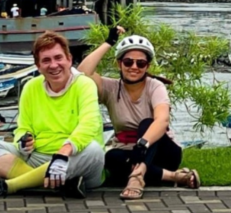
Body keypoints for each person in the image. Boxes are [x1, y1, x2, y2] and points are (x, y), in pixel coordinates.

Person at [0, 31, 105, 198]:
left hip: (73, 159)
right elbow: (23, 127)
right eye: (46, 60)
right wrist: (23, 141)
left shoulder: (85, 84)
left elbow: (89, 124)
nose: (54, 65)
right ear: (38, 66)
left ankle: (9, 185)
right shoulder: (31, 87)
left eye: (58, 58)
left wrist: (64, 152)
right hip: (38, 156)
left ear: (69, 59)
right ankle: (55, 184)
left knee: (94, 150)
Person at [78, 26, 200, 200]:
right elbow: (82, 73)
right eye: (128, 62)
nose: (134, 67)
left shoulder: (155, 86)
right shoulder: (110, 88)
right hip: (127, 152)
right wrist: (109, 42)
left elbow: (162, 120)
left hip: (162, 151)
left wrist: (142, 145)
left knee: (147, 123)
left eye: (140, 63)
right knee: (112, 158)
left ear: (147, 66)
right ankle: (174, 176)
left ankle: (137, 178)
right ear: (119, 63)